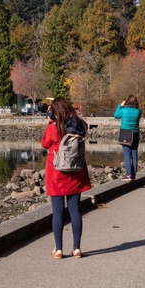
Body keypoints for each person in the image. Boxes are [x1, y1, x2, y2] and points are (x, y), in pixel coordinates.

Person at [41, 97, 92, 259]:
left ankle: (59, 249)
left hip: (57, 172)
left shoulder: (53, 128)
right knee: (75, 210)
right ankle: (76, 248)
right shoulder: (77, 126)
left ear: (54, 111)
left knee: (57, 212)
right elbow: (85, 126)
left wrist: (50, 122)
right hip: (76, 170)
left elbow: (44, 144)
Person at [113, 95, 142, 181]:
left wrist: (120, 106)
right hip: (136, 132)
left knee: (127, 154)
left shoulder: (124, 110)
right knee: (134, 154)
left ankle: (128, 174)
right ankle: (133, 173)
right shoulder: (139, 111)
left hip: (126, 133)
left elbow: (116, 115)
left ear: (127, 102)